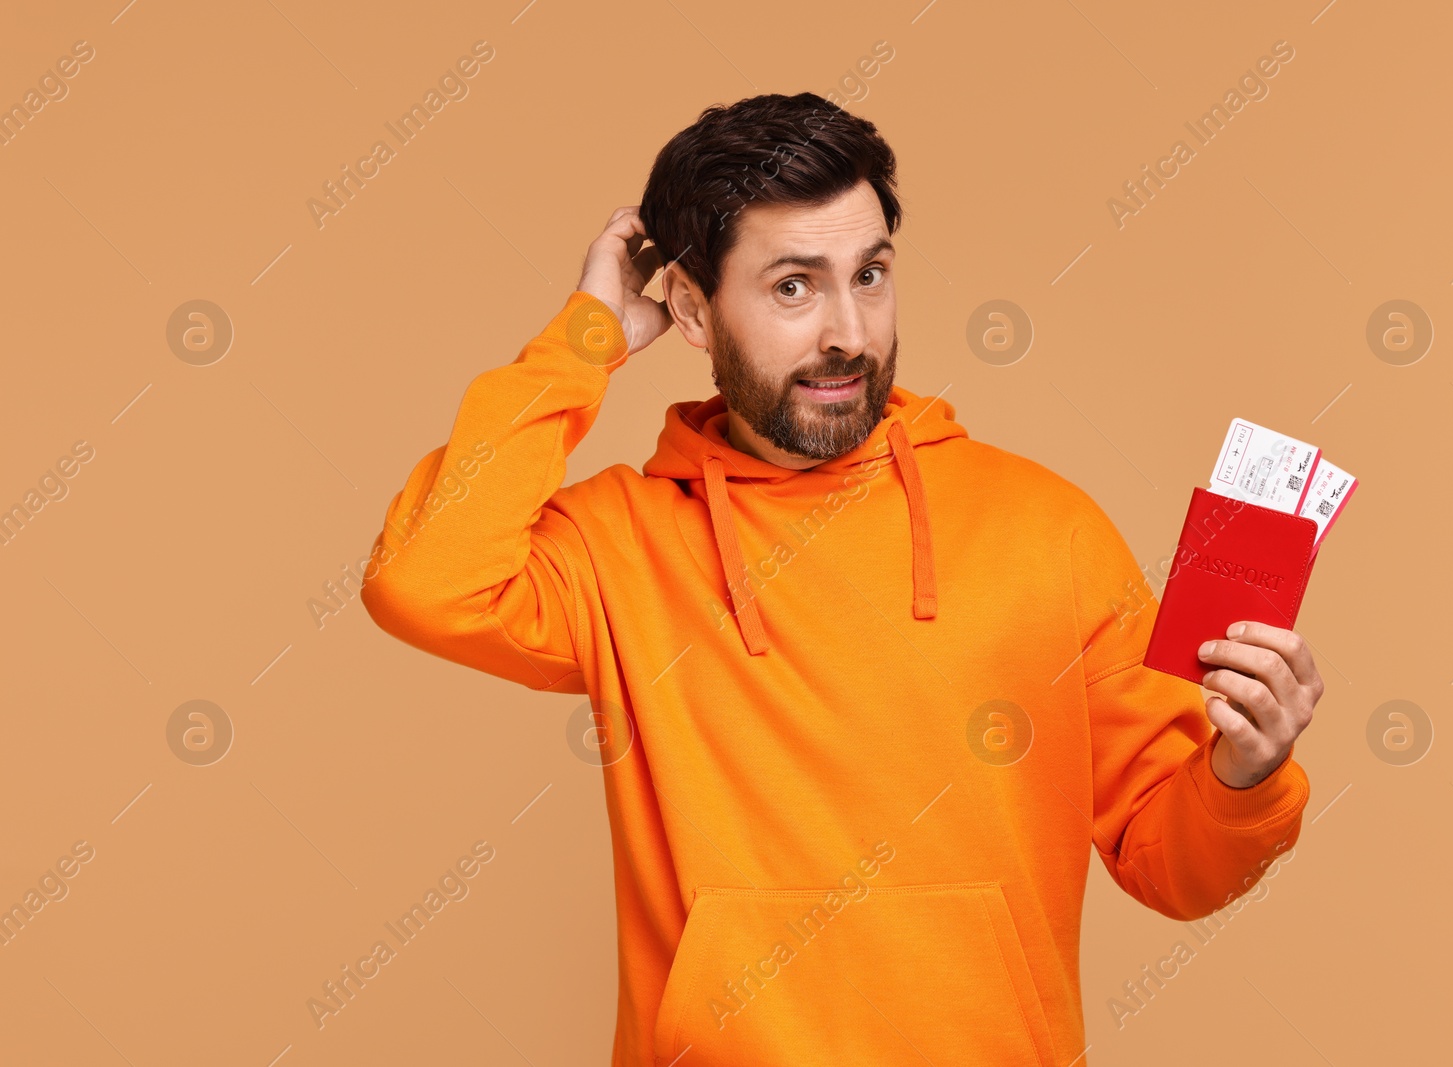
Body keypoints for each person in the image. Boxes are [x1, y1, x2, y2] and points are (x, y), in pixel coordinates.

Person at [361, 91, 1321, 1067]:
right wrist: (582, 341)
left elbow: (1176, 868)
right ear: (691, 307)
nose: (847, 331)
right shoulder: (618, 546)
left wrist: (1242, 775)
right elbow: (423, 581)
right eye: (791, 286)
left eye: (869, 275)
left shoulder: (1049, 529)